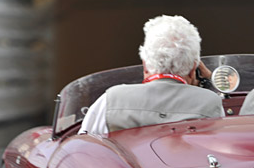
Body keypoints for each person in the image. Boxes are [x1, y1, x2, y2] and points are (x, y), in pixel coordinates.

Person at [79, 15, 224, 135]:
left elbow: (84, 148)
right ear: (194, 69)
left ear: (145, 64)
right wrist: (210, 85)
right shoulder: (210, 103)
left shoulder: (111, 100)